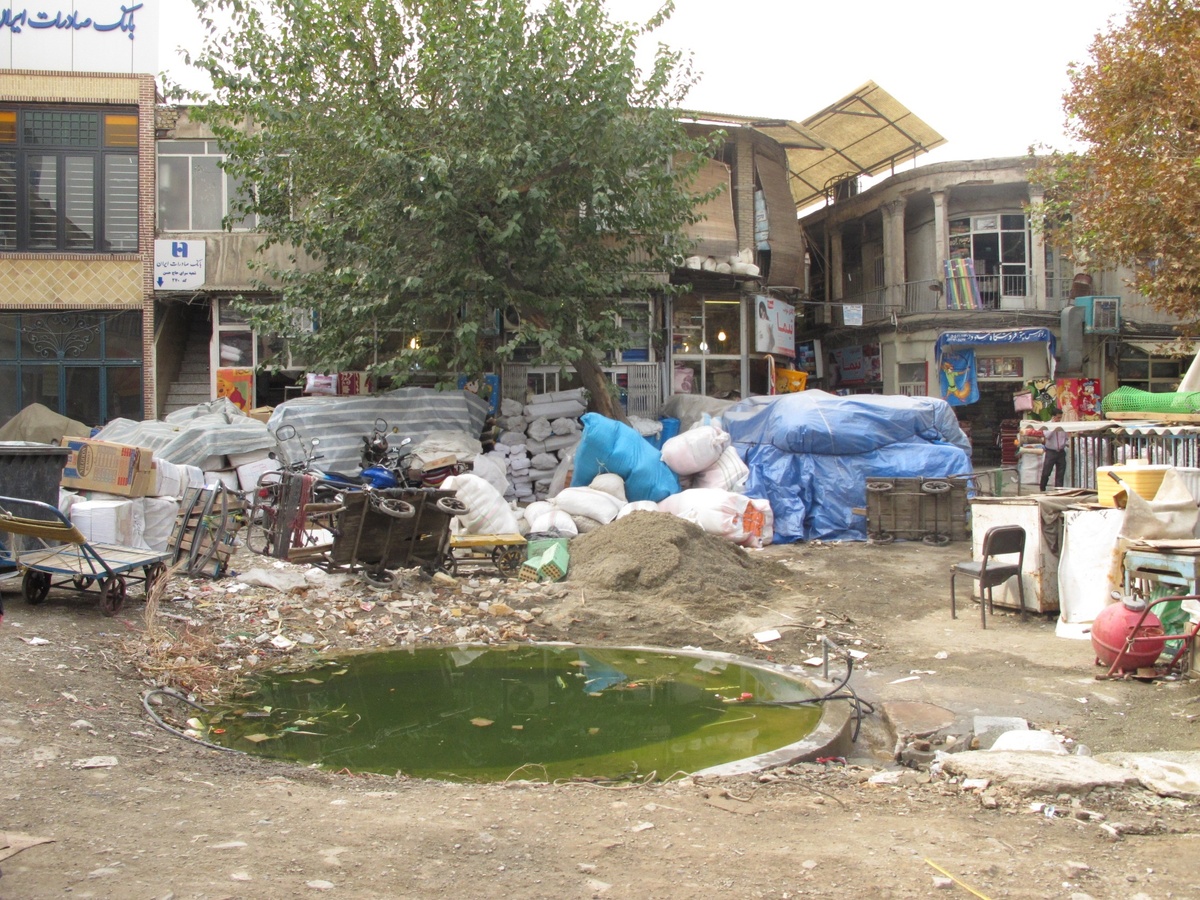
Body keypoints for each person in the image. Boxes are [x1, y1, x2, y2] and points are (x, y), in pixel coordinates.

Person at [1040, 416, 1068, 491]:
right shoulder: (1047, 425)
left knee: (1060, 473)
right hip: (1051, 451)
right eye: (1058, 417)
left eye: (1060, 418)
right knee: (1046, 472)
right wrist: (1053, 427)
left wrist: (1064, 443)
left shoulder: (1062, 425)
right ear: (1054, 417)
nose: (1059, 419)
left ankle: (1058, 490)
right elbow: (1047, 435)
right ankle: (1042, 488)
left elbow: (1065, 436)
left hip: (1061, 452)